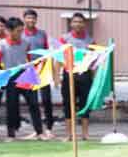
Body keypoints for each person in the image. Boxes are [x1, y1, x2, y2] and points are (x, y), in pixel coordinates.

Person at [0, 17, 43, 141]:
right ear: (9, 30)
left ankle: (39, 132)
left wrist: (34, 75)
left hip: (26, 75)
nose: (21, 33)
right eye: (18, 31)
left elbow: (29, 60)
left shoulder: (26, 43)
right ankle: (11, 134)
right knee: (12, 106)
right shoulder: (1, 45)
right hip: (10, 77)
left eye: (21, 30)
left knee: (34, 104)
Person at [59, 12, 94, 141]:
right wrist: (57, 77)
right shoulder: (64, 39)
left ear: (84, 24)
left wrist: (93, 77)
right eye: (75, 21)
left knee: (85, 104)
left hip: (85, 75)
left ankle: (85, 133)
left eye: (80, 22)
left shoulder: (90, 40)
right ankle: (69, 134)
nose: (78, 24)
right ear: (71, 24)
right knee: (68, 104)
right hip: (69, 74)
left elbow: (93, 60)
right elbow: (59, 57)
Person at [22, 9, 55, 138]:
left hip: (43, 69)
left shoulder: (42, 34)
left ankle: (49, 128)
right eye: (28, 18)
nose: (31, 20)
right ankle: (38, 130)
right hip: (29, 71)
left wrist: (49, 68)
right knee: (33, 102)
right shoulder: (21, 34)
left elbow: (47, 51)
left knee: (46, 99)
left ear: (36, 20)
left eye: (33, 18)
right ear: (24, 19)